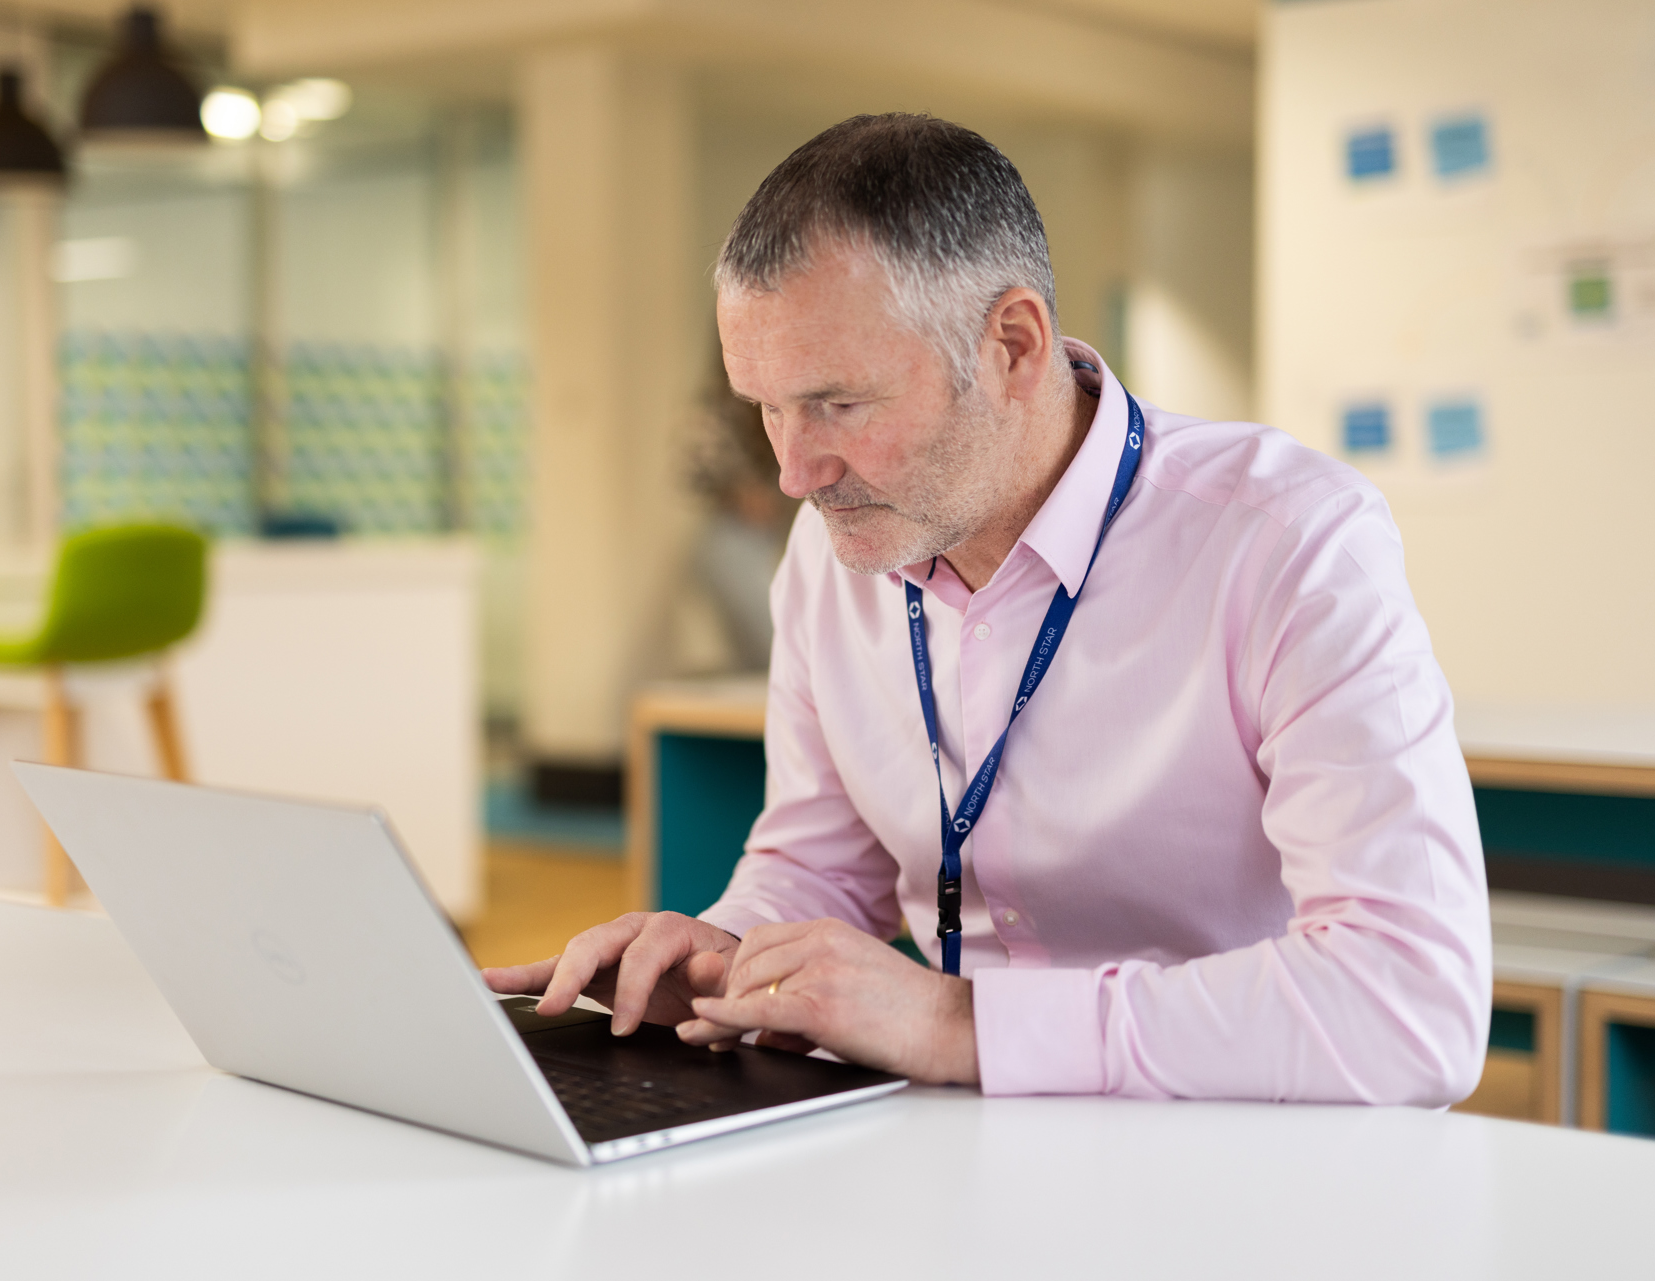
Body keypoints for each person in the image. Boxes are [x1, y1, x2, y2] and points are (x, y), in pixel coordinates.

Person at [485, 114, 1490, 1103]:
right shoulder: (830, 553)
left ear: (1013, 345)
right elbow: (820, 867)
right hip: (956, 1137)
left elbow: (1412, 1003)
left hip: (1238, 1142)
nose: (794, 472)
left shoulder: (1289, 539)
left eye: (838, 404)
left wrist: (956, 1024)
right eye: (768, 408)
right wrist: (727, 952)